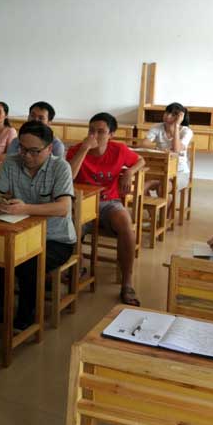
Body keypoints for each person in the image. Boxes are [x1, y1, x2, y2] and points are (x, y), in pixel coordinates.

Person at [0, 121, 76, 330]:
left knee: (29, 265)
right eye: (22, 149)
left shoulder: (60, 167)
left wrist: (25, 208)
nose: (27, 156)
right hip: (20, 234)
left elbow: (63, 207)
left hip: (55, 239)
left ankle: (26, 318)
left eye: (34, 151)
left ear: (49, 148)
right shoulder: (11, 163)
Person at [67, 112, 145, 307]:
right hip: (82, 203)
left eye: (100, 132)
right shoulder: (77, 149)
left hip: (109, 202)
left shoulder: (118, 150)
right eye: (91, 130)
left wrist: (130, 171)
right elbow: (68, 177)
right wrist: (84, 149)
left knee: (126, 224)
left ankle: (127, 282)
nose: (94, 135)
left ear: (111, 135)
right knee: (69, 227)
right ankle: (79, 266)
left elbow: (141, 160)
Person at [140, 102, 194, 209]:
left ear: (179, 117)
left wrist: (176, 126)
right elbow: (144, 144)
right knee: (141, 186)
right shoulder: (157, 127)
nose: (167, 116)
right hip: (160, 169)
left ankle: (164, 217)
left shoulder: (186, 131)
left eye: (173, 114)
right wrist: (160, 149)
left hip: (179, 172)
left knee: (162, 189)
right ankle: (153, 215)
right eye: (167, 112)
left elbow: (176, 149)